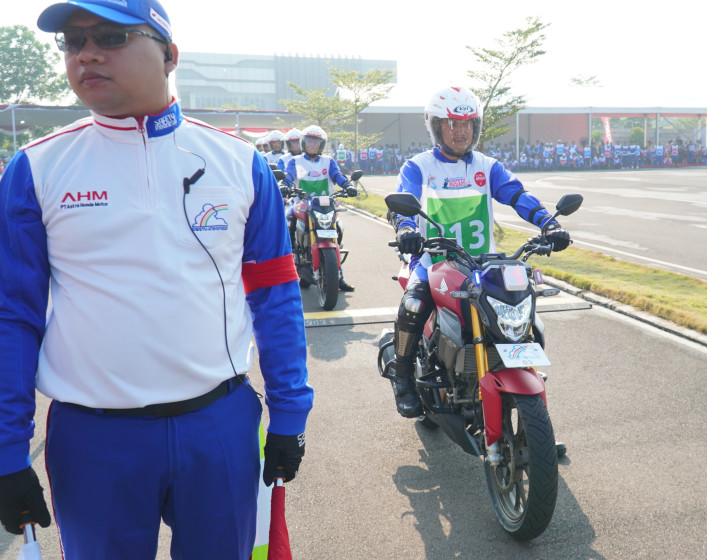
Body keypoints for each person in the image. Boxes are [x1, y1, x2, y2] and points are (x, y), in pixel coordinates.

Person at [0, 1, 312, 558]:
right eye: (73, 41)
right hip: (94, 440)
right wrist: (5, 449)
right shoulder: (36, 168)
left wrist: (290, 411)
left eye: (111, 36)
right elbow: (11, 315)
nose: (87, 52)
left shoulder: (240, 163)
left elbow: (275, 294)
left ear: (169, 54)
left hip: (219, 427)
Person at [384, 86, 571, 418]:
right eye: (453, 124)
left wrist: (547, 223)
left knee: (526, 322)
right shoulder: (419, 167)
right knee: (413, 305)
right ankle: (402, 378)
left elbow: (517, 195)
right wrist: (406, 229)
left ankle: (532, 416)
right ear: (436, 127)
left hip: (483, 265)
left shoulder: (487, 166)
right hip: (435, 261)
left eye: (468, 124)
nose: (461, 132)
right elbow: (403, 202)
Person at [284, 124, 358, 292]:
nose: (311, 145)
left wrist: (347, 186)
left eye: (315, 142)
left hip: (326, 203)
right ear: (303, 143)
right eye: (309, 141)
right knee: (288, 221)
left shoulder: (328, 161)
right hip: (302, 202)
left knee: (338, 228)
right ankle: (290, 262)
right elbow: (289, 176)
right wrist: (285, 185)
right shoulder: (295, 161)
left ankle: (338, 276)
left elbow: (337, 176)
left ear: (322, 145)